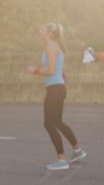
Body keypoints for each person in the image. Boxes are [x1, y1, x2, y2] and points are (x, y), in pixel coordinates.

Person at [25, 23, 86, 171]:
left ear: (49, 34)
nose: (39, 33)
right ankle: (77, 150)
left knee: (49, 124)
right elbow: (63, 72)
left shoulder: (50, 48)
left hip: (55, 90)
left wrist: (35, 70)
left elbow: (51, 71)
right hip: (59, 88)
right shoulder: (57, 47)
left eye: (42, 30)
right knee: (57, 122)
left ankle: (61, 160)